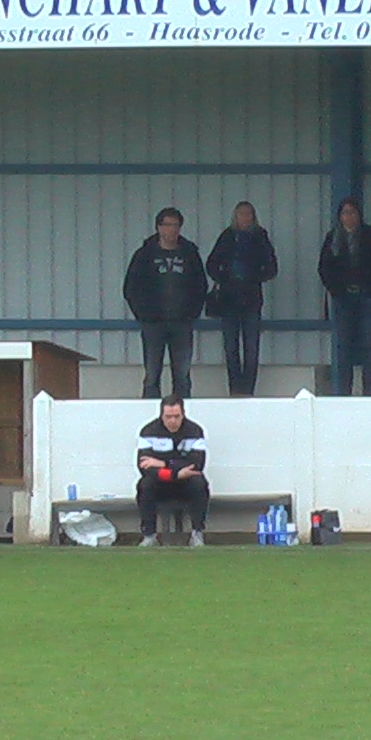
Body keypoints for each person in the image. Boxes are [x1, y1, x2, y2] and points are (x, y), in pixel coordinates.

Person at [122, 207, 207, 400]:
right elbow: (131, 288)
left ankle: (181, 413)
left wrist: (192, 313)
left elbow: (200, 285)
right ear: (159, 227)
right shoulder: (144, 254)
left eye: (176, 225)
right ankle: (151, 412)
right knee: (152, 374)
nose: (172, 229)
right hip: (153, 324)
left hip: (182, 323)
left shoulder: (190, 254)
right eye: (168, 225)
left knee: (182, 376)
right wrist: (143, 314)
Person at [317, 196, 371, 397]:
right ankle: (344, 392)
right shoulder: (333, 238)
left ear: (359, 215)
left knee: (369, 344)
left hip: (368, 297)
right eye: (345, 213)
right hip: (342, 298)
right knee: (343, 345)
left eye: (352, 212)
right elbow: (324, 267)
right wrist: (335, 288)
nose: (348, 217)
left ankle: (369, 392)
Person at [206, 201, 279, 397]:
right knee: (231, 348)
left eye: (248, 214)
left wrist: (254, 277)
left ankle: (248, 390)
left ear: (253, 217)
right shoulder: (227, 236)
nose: (245, 218)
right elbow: (211, 263)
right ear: (235, 217)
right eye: (241, 214)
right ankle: (235, 390)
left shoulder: (260, 237)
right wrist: (225, 278)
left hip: (251, 299)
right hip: (228, 300)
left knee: (251, 349)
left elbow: (272, 267)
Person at [133, 395, 209, 547]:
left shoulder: (195, 431)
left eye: (176, 416)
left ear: (183, 414)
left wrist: (163, 463)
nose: (172, 421)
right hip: (161, 481)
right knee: (144, 484)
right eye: (168, 417)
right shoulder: (148, 431)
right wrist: (175, 472)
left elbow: (197, 464)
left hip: (186, 482)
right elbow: (145, 467)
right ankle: (149, 535)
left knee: (199, 483)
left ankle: (197, 533)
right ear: (161, 415)